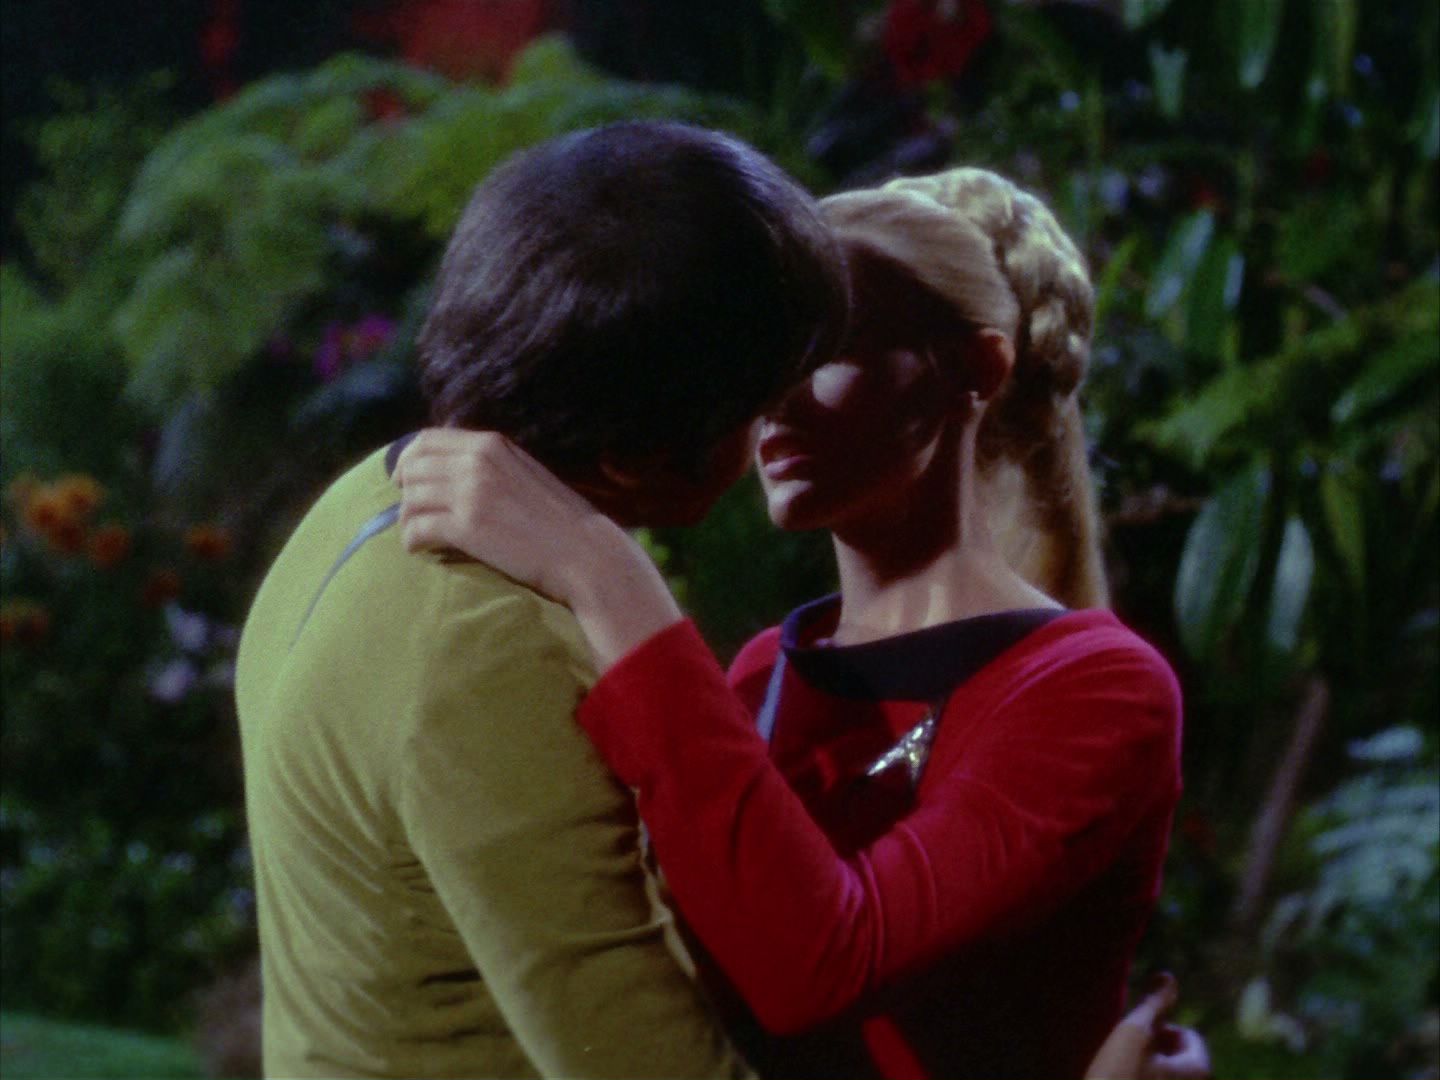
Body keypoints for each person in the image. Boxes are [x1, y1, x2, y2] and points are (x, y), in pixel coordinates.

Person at [395, 166, 1187, 1079]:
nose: (774, 402)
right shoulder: (767, 671)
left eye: (827, 354)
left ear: (977, 368)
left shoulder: (1095, 686)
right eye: (764, 364)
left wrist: (600, 572)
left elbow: (825, 964)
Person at [234, 119, 848, 1078]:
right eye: (762, 404)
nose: (781, 427)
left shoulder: (371, 494)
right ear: (635, 456)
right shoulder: (488, 653)